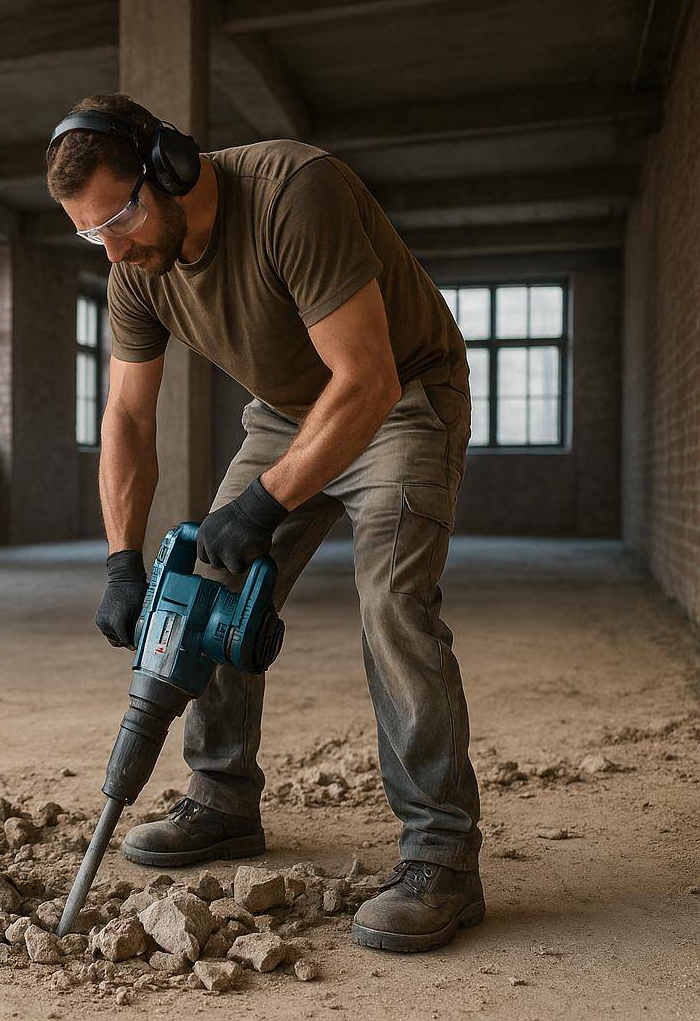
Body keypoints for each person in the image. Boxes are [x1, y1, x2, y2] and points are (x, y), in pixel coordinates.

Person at [47, 93, 482, 953]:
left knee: (392, 602)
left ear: (169, 165)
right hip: (287, 413)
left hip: (400, 393)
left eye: (124, 216)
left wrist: (263, 504)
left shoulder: (294, 192)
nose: (118, 246)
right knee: (203, 581)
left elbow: (364, 379)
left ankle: (443, 857)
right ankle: (221, 798)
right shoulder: (135, 267)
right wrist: (122, 561)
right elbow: (128, 421)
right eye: (92, 234)